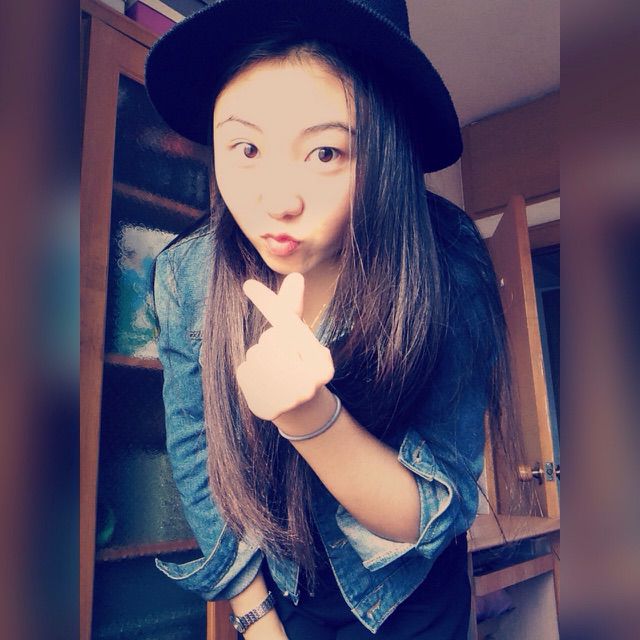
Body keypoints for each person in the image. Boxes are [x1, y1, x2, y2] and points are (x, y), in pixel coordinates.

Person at [145, 1, 515, 638]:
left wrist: (309, 418)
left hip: (412, 592)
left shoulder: (447, 261)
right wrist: (256, 617)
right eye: (247, 147)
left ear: (383, 153)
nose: (277, 200)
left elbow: (434, 510)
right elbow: (198, 457)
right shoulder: (189, 274)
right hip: (282, 587)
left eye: (324, 153)